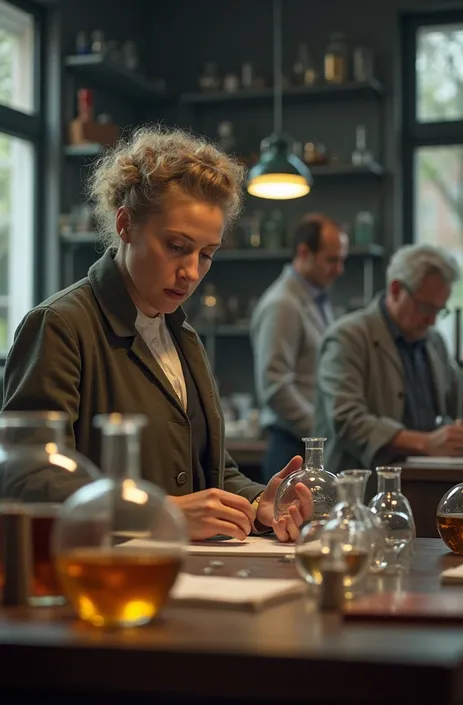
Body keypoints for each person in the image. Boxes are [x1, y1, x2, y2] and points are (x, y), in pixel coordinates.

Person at [2, 125, 312, 543]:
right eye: (176, 246)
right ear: (126, 225)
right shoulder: (60, 325)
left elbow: (212, 472)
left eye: (206, 254)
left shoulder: (182, 337)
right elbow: (25, 478)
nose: (191, 272)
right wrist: (161, 512)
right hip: (97, 580)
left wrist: (260, 505)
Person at [314, 243, 463, 489]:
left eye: (439, 311)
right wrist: (425, 442)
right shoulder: (348, 337)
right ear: (396, 289)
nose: (432, 320)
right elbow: (348, 419)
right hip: (359, 493)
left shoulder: (433, 341)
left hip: (423, 487)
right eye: (426, 308)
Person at [250, 213, 348, 481]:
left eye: (342, 260)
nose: (339, 269)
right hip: (292, 448)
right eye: (332, 260)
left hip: (311, 446)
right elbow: (275, 386)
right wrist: (320, 433)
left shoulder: (318, 299)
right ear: (304, 252)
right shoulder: (282, 304)